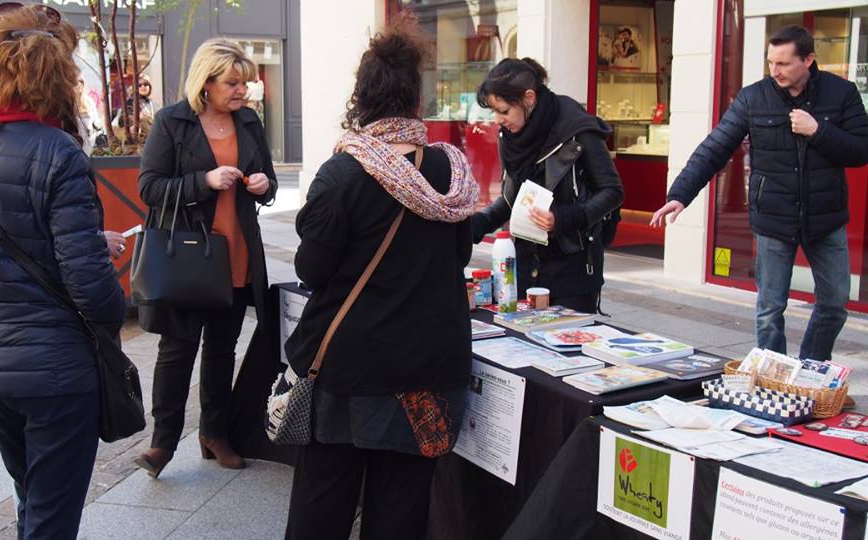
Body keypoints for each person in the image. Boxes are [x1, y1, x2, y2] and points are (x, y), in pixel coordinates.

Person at [0, 4, 126, 537]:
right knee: (52, 516)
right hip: (57, 370)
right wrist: (108, 290)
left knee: (33, 502)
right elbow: (92, 290)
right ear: (59, 77)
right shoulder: (59, 153)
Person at [284, 23, 478, 540]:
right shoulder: (450, 171)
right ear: (417, 97)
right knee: (401, 511)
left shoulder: (343, 173)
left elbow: (312, 271)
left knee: (322, 507)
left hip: (351, 371)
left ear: (362, 96)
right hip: (427, 370)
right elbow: (459, 255)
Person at [649, 25, 868, 361]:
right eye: (770, 62)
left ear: (808, 59)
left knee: (835, 302)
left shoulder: (842, 93)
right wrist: (679, 194)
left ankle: (810, 368)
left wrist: (818, 130)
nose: (774, 71)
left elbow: (860, 150)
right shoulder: (754, 98)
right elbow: (715, 148)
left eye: (783, 64)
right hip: (773, 218)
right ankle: (773, 374)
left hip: (826, 218)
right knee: (770, 309)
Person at [135, 37, 277, 478]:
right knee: (176, 351)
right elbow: (149, 187)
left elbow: (269, 179)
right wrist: (204, 181)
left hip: (236, 254)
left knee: (221, 351)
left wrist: (262, 185)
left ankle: (214, 434)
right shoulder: (172, 122)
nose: (243, 92)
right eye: (233, 83)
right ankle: (162, 443)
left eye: (246, 83)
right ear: (207, 82)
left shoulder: (249, 122)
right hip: (187, 258)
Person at [471, 58, 624, 314]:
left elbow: (612, 191)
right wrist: (470, 228)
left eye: (504, 111)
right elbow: (511, 200)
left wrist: (562, 218)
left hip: (571, 268)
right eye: (494, 112)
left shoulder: (576, 128)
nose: (498, 120)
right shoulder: (510, 136)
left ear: (529, 98)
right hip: (523, 264)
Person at [75, 75, 104, 154]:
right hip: (76, 139)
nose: (79, 84)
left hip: (91, 139)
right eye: (76, 83)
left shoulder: (89, 101)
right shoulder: (69, 104)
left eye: (81, 82)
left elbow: (96, 120)